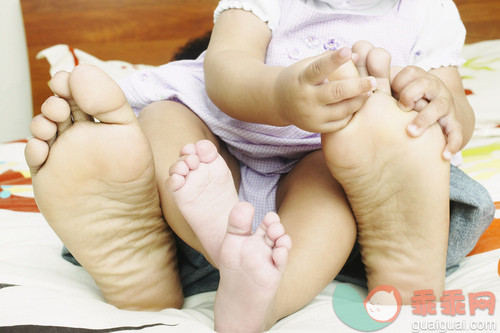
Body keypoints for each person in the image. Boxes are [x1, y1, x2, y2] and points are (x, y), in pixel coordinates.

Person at [25, 1, 495, 333]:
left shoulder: (430, 11)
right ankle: (147, 263)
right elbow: (226, 68)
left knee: (375, 145)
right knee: (163, 119)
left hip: (338, 167)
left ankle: (266, 292)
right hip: (222, 150)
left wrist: (441, 103)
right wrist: (280, 95)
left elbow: (455, 109)